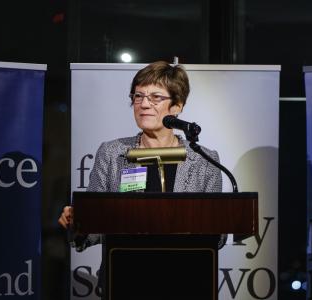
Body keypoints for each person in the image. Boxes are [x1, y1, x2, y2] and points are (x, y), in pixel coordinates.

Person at [58, 60, 223, 295]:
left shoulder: (204, 159)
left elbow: (217, 235)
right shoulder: (112, 153)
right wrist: (79, 224)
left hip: (186, 281)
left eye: (155, 97)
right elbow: (94, 228)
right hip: (124, 279)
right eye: (138, 96)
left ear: (177, 106)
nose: (144, 104)